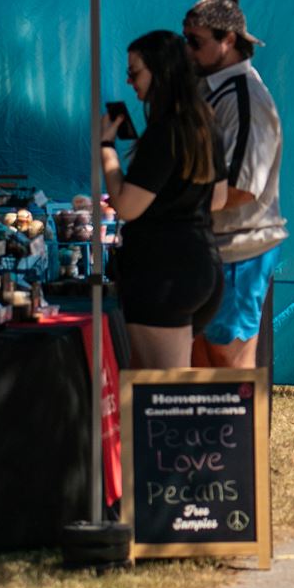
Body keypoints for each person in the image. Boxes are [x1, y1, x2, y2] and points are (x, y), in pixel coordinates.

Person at [102, 30, 229, 369]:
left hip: (163, 272)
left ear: (161, 71)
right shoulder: (205, 123)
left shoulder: (166, 131)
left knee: (162, 396)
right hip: (203, 267)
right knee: (161, 392)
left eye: (134, 72)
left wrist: (105, 149)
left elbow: (127, 206)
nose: (129, 82)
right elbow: (217, 198)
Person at [184, 0, 285, 368]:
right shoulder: (216, 88)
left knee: (229, 365)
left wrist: (176, 206)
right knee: (204, 361)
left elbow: (242, 188)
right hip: (217, 245)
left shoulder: (245, 97)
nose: (188, 51)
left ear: (227, 40)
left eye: (196, 42)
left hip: (240, 248)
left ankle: (238, 429)